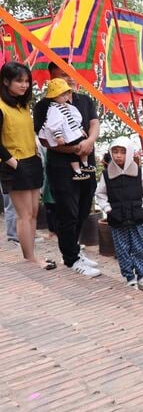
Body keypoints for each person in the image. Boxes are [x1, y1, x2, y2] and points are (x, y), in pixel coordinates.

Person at [33, 60, 100, 277]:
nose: (68, 78)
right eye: (62, 74)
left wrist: (88, 143)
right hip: (62, 167)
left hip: (87, 162)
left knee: (83, 209)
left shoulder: (83, 99)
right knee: (67, 212)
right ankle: (70, 258)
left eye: (70, 73)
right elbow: (46, 140)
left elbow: (94, 123)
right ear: (52, 76)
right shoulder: (44, 106)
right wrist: (74, 149)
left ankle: (75, 250)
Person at [0, 62, 53, 269]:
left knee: (33, 213)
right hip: (15, 164)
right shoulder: (1, 107)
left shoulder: (22, 106)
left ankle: (32, 256)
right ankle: (30, 258)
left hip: (31, 160)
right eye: (19, 81)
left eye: (26, 81)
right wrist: (14, 163)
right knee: (24, 215)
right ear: (6, 81)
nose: (24, 85)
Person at [94, 136, 143, 292]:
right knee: (122, 249)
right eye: (115, 151)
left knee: (139, 247)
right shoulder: (107, 174)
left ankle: (142, 276)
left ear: (129, 153)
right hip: (117, 217)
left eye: (122, 152)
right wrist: (108, 209)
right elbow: (100, 194)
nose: (118, 155)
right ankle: (129, 277)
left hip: (136, 215)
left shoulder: (139, 172)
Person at [37, 78, 92, 181]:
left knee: (82, 146)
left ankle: (84, 165)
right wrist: (58, 136)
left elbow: (74, 119)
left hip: (73, 132)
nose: (65, 97)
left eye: (67, 94)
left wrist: (80, 129)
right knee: (73, 152)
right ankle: (78, 171)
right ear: (54, 96)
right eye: (62, 95)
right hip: (66, 135)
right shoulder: (54, 109)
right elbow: (53, 124)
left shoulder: (65, 106)